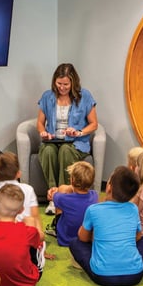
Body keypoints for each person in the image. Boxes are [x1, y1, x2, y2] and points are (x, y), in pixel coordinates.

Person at [68, 166, 143, 286]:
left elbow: (82, 238)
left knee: (74, 243)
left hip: (102, 277)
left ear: (109, 187)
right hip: (134, 276)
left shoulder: (93, 210)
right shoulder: (133, 209)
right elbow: (138, 237)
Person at [36, 63, 98, 193]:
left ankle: (63, 195)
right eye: (59, 84)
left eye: (66, 84)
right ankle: (53, 194)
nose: (62, 88)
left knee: (65, 150)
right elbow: (40, 123)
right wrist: (43, 132)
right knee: (47, 151)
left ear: (73, 83)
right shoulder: (47, 96)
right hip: (53, 140)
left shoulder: (85, 96)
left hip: (76, 143)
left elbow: (94, 124)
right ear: (54, 82)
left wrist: (79, 132)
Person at [0, 184, 45, 286]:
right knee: (38, 242)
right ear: (21, 210)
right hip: (27, 281)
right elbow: (41, 237)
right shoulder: (27, 231)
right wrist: (31, 224)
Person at [49, 160, 99, 247]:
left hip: (65, 239)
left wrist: (57, 189)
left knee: (61, 189)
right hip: (86, 238)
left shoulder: (62, 198)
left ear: (72, 180)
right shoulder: (94, 195)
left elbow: (51, 196)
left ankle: (56, 227)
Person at [0, 152, 39, 223]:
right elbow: (35, 216)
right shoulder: (29, 189)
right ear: (19, 174)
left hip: (1, 232)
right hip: (26, 232)